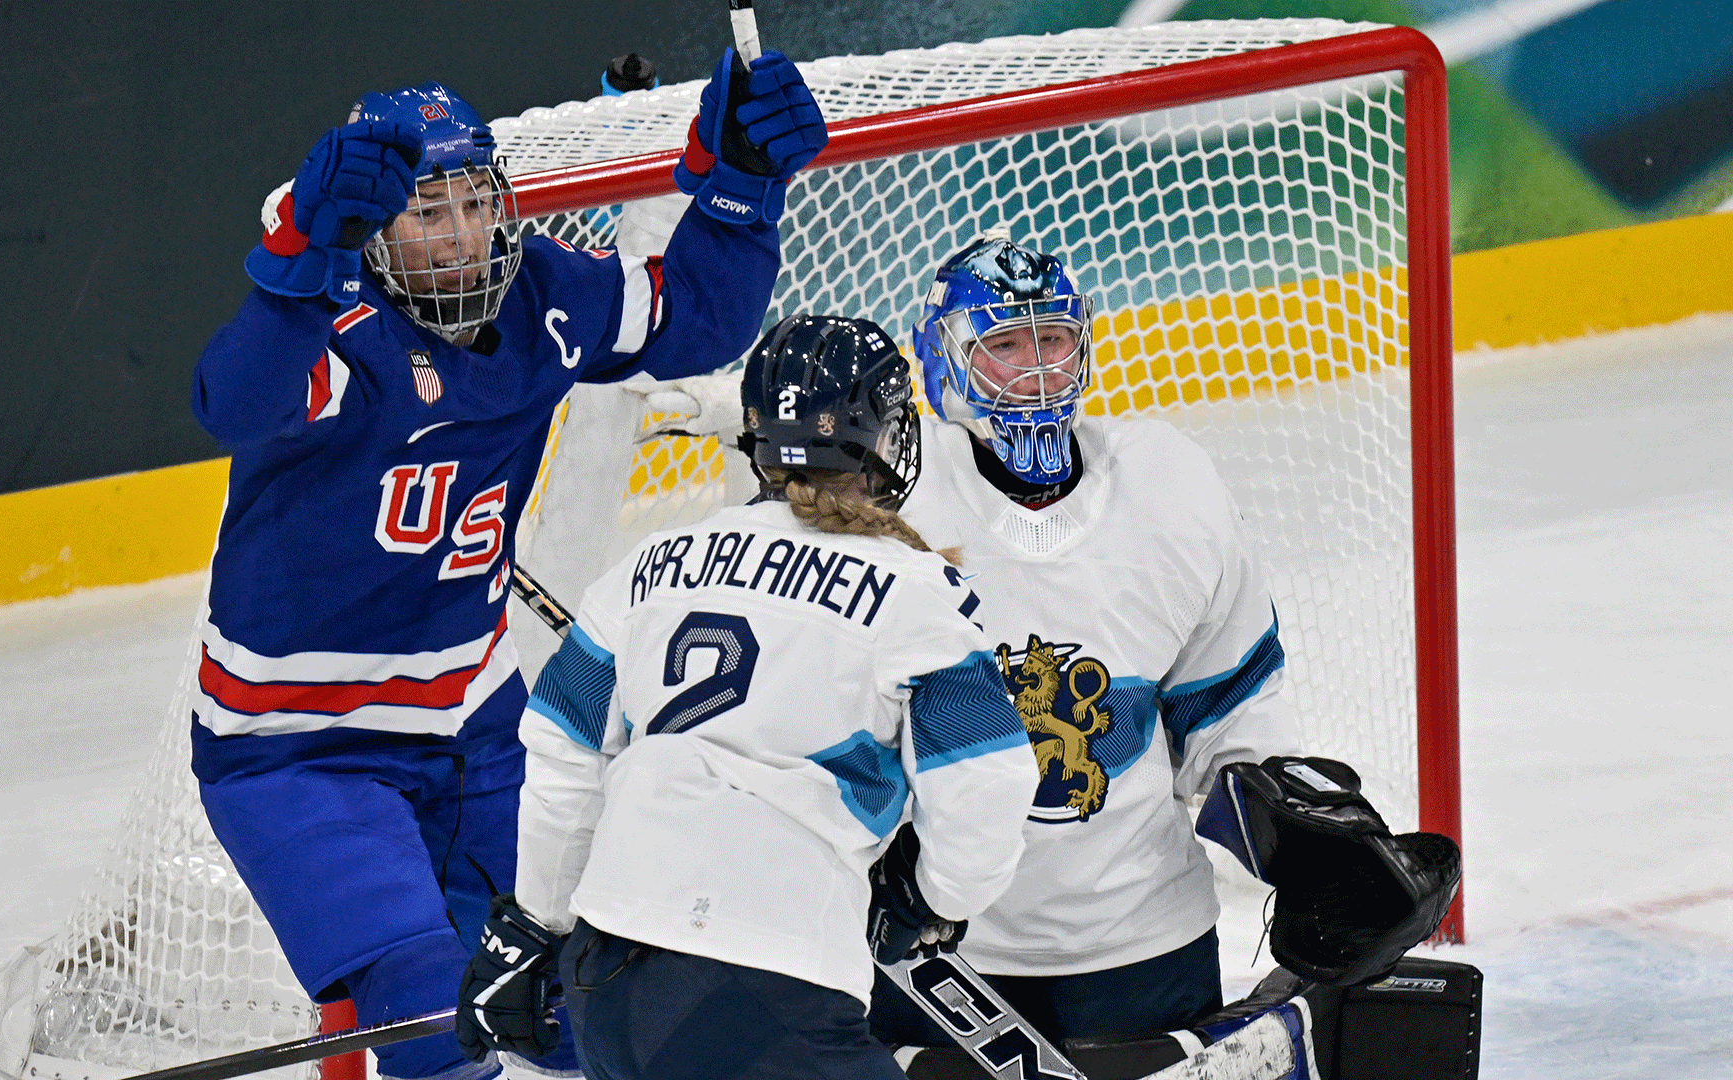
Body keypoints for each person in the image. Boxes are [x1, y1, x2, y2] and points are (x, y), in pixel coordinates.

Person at [186, 49, 826, 1080]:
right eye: (423, 215)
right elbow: (235, 402)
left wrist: (744, 185)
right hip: (300, 746)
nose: (458, 238)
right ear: (376, 228)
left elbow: (699, 318)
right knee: (430, 1017)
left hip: (474, 720)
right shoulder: (337, 324)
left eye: (473, 205)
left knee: (608, 1000)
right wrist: (295, 263)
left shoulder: (544, 295)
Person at [451, 314, 1039, 1080]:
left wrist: (537, 921)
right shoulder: (918, 595)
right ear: (887, 437)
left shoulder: (646, 565)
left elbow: (563, 750)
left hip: (607, 978)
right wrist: (932, 898)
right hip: (770, 987)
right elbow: (987, 784)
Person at [866, 229, 1305, 1053]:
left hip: (1143, 941)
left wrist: (1297, 839)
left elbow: (1230, 705)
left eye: (1054, 339)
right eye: (1003, 344)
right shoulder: (891, 507)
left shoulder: (1171, 485)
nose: (1037, 369)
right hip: (937, 952)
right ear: (940, 361)